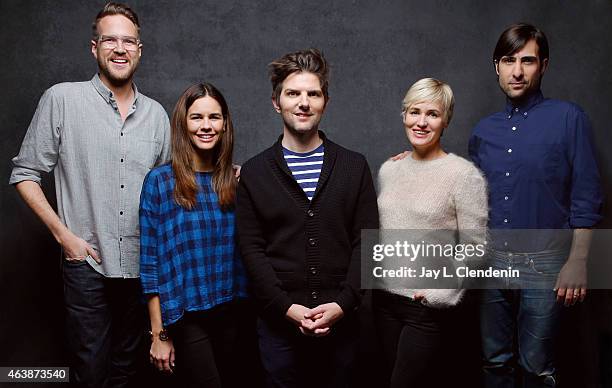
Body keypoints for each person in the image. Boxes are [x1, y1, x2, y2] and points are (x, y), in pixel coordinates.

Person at [8, 2, 170, 386]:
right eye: (110, 39)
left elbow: (169, 190)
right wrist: (65, 238)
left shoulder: (158, 116)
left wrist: (232, 175)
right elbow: (24, 173)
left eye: (128, 41)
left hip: (141, 266)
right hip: (87, 263)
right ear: (94, 47)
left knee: (128, 372)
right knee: (90, 369)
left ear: (139, 50)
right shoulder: (62, 100)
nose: (119, 48)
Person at [468, 23, 603, 387]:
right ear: (496, 66)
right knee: (494, 363)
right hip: (492, 263)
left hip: (546, 264)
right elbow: (471, 202)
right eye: (508, 60)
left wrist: (577, 261)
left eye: (527, 61)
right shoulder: (482, 132)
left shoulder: (568, 118)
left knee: (536, 367)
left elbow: (586, 195)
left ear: (543, 65)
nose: (517, 71)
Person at [236, 48, 379, 388]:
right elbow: (251, 250)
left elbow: (368, 242)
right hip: (278, 328)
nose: (303, 102)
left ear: (325, 101)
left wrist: (343, 304)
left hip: (343, 325)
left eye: (313, 94)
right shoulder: (255, 173)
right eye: (293, 93)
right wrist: (287, 308)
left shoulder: (354, 166)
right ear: (276, 102)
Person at [375, 78, 488, 387]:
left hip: (424, 308)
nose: (421, 122)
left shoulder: (463, 175)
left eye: (432, 114)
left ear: (446, 120)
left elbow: (475, 245)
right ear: (404, 115)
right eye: (414, 112)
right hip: (384, 302)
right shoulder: (389, 169)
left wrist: (442, 291)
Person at [139, 82, 248, 388]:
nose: (206, 126)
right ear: (183, 124)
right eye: (197, 117)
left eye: (214, 117)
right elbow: (150, 267)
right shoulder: (160, 182)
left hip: (232, 310)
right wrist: (159, 335)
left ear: (224, 123)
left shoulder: (237, 181)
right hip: (185, 317)